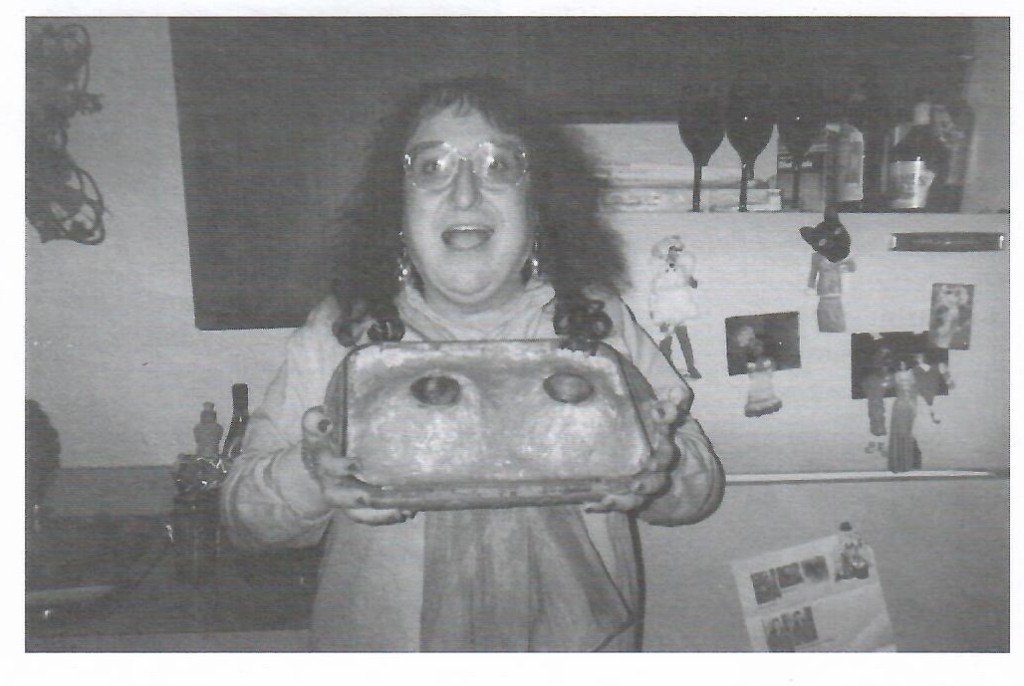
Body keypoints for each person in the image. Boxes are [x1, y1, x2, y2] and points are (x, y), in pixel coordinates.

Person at [220, 76, 725, 652]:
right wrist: (313, 473)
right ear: (397, 208)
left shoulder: (597, 320)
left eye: (499, 165)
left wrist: (660, 472)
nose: (464, 193)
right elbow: (244, 519)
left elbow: (701, 486)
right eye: (431, 166)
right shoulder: (339, 332)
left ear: (538, 204)